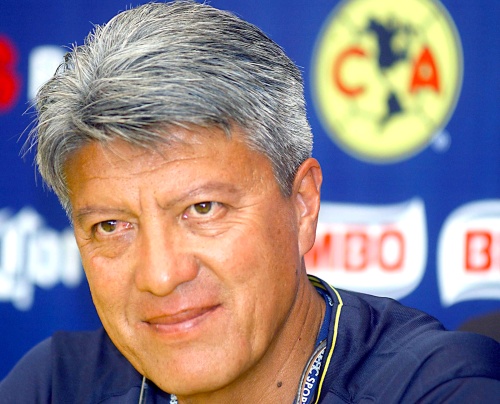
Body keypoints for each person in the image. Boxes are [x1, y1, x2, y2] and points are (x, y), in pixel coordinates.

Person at [1, 1, 499, 402]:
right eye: (111, 226)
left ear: (302, 205)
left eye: (202, 209)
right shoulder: (55, 386)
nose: (161, 274)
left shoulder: (440, 389)